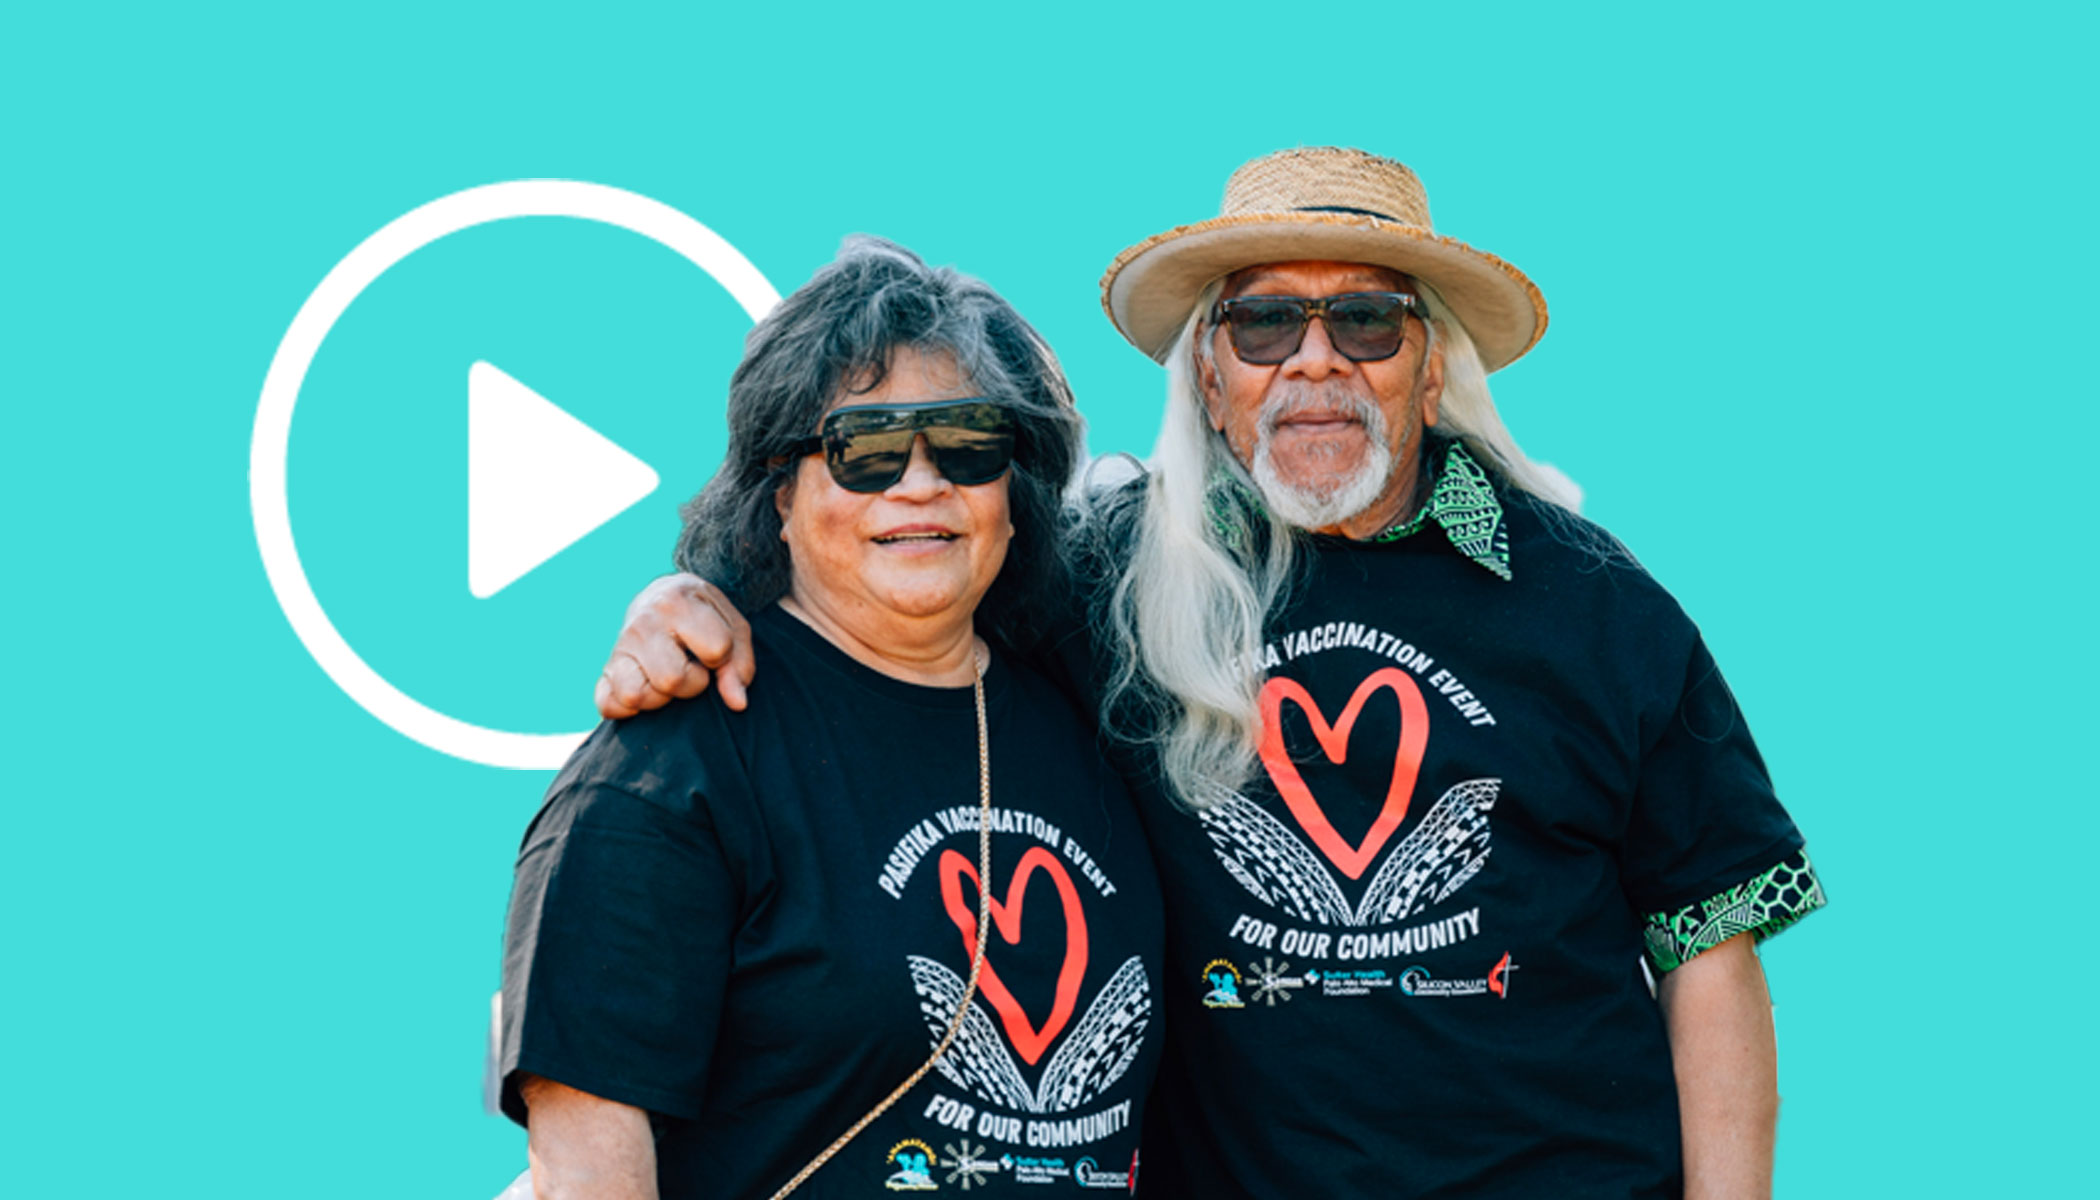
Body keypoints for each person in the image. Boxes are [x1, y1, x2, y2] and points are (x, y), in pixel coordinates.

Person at [595, 148, 1826, 1198]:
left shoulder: (1595, 606)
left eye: (1366, 322)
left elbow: (1708, 949)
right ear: (1209, 371)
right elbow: (890, 581)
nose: (1316, 361)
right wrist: (691, 597)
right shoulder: (1103, 581)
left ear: (1429, 364)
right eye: (1263, 322)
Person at [498, 238, 1164, 1199]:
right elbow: (585, 1166)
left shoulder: (1099, 715)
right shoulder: (673, 762)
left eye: (969, 442)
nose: (921, 482)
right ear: (779, 495)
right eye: (868, 449)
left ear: (1015, 494)